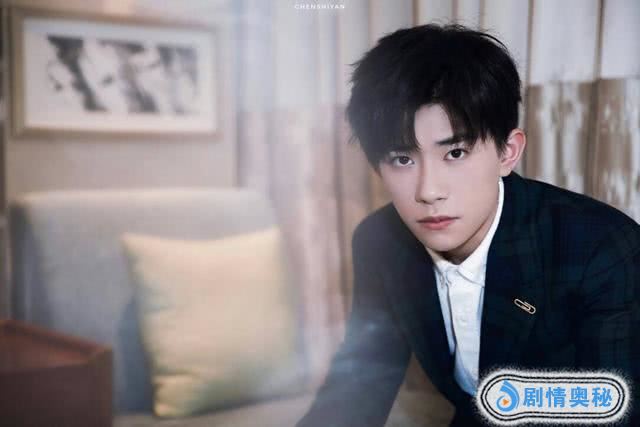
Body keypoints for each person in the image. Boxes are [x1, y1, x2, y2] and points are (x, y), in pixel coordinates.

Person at [295, 24, 640, 426]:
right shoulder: (379, 241)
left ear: (507, 152)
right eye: (402, 159)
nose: (429, 191)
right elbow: (360, 384)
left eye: (455, 153)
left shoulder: (602, 246)